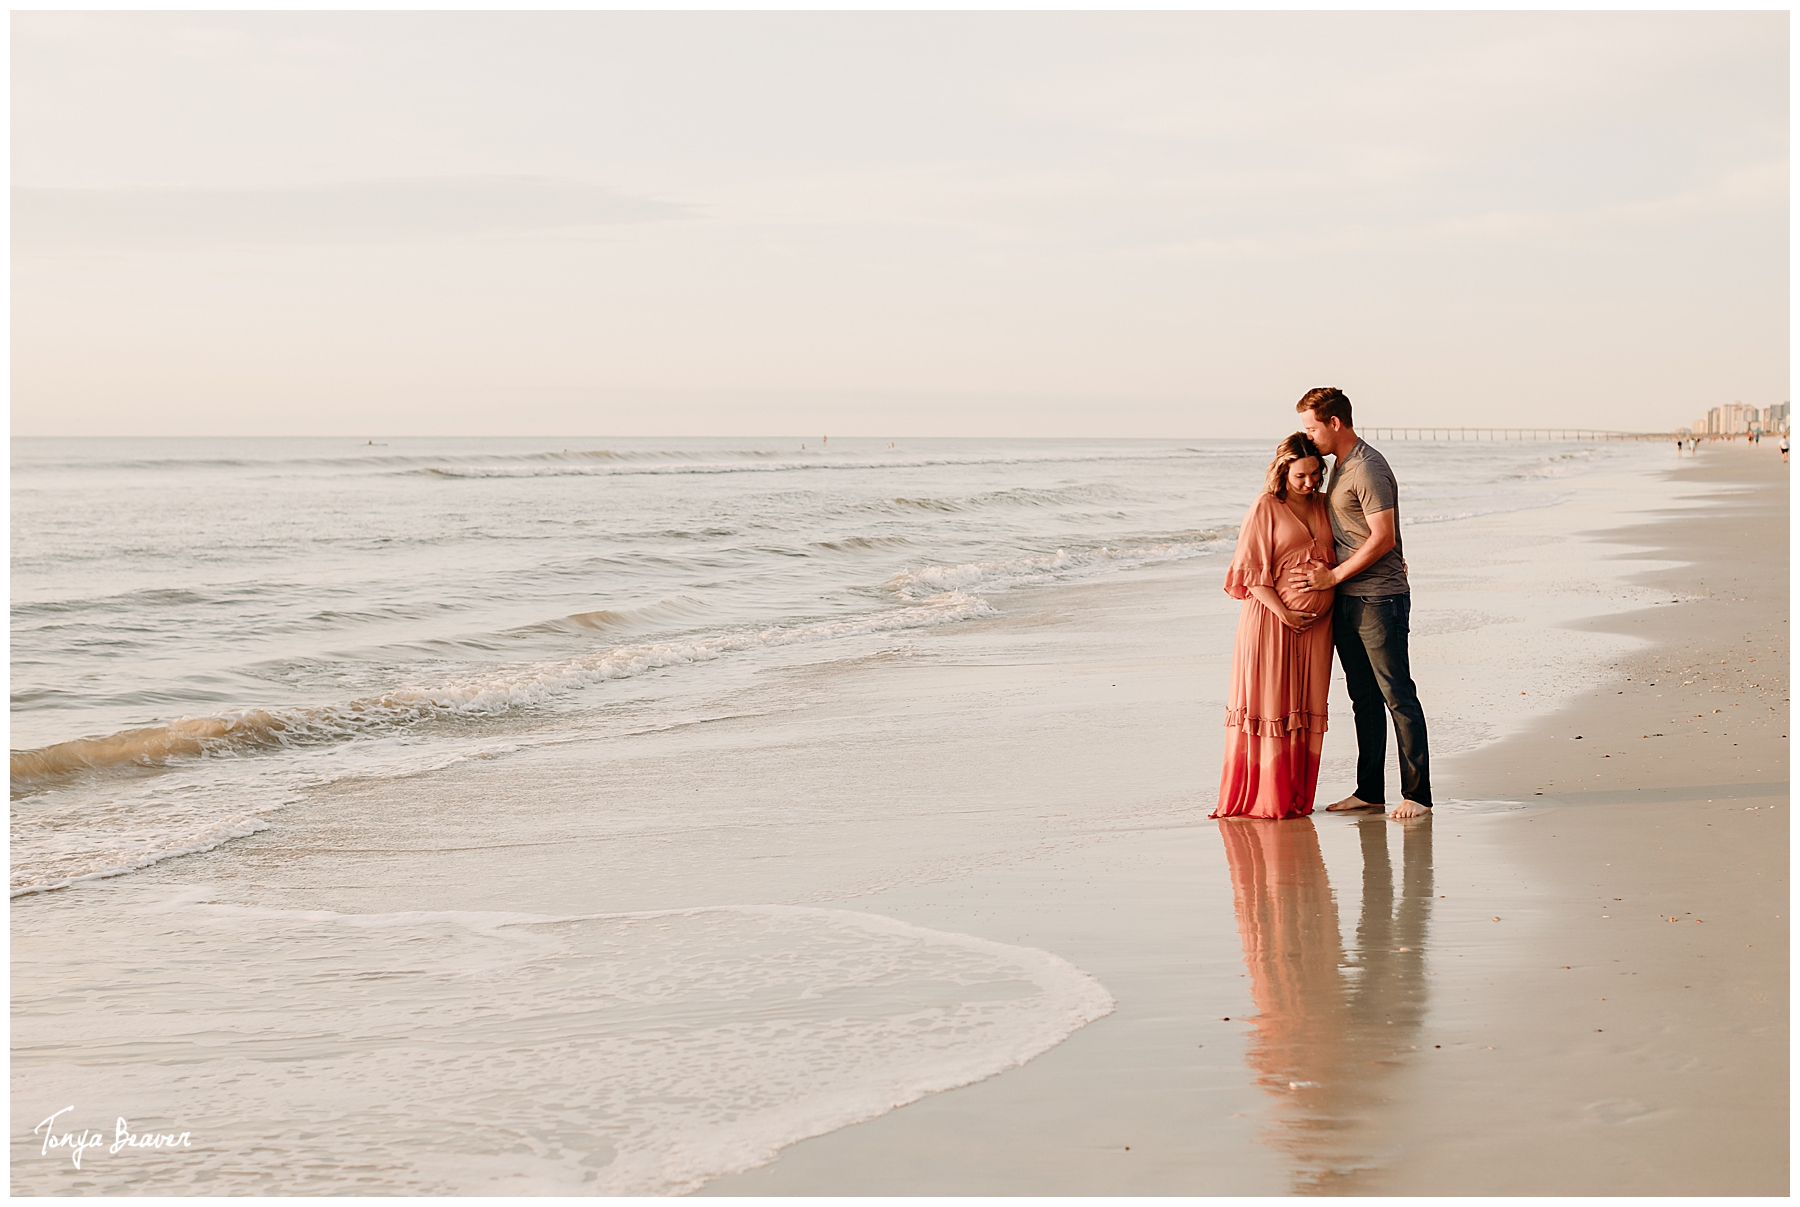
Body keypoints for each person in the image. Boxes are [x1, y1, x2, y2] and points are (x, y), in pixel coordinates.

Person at [1289, 387, 1433, 821]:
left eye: (1312, 428)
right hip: (1349, 600)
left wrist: (1331, 575)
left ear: (1335, 423)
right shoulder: (1338, 467)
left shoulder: (1368, 468)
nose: (1308, 436)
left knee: (1397, 694)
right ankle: (1370, 790)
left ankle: (1418, 795)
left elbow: (1383, 537)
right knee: (1363, 698)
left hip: (1379, 599)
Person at [1212, 433, 1336, 820]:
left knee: (1305, 705)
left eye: (1316, 473)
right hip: (1271, 622)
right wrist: (1285, 614)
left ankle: (1296, 794)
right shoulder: (1265, 507)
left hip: (1317, 629)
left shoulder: (1324, 505)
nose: (1310, 482)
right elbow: (1251, 576)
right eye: (1301, 475)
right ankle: (1265, 795)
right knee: (1272, 705)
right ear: (1283, 471)